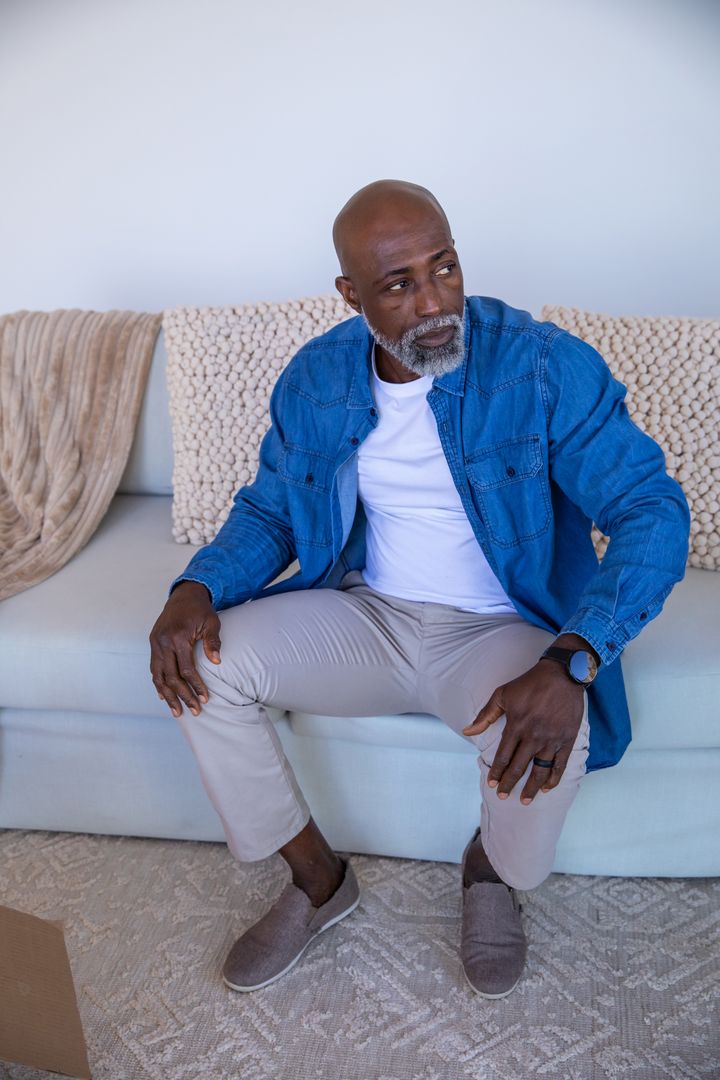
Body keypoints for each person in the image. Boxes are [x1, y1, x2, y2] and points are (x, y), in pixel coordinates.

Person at [149, 180, 690, 999]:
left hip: (502, 629)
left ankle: (490, 870)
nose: (434, 303)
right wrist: (197, 585)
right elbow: (272, 511)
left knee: (554, 732)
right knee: (199, 663)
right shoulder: (317, 378)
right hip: (370, 616)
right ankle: (317, 880)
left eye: (445, 268)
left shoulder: (541, 365)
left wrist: (575, 657)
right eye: (399, 284)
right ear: (350, 294)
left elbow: (651, 507)